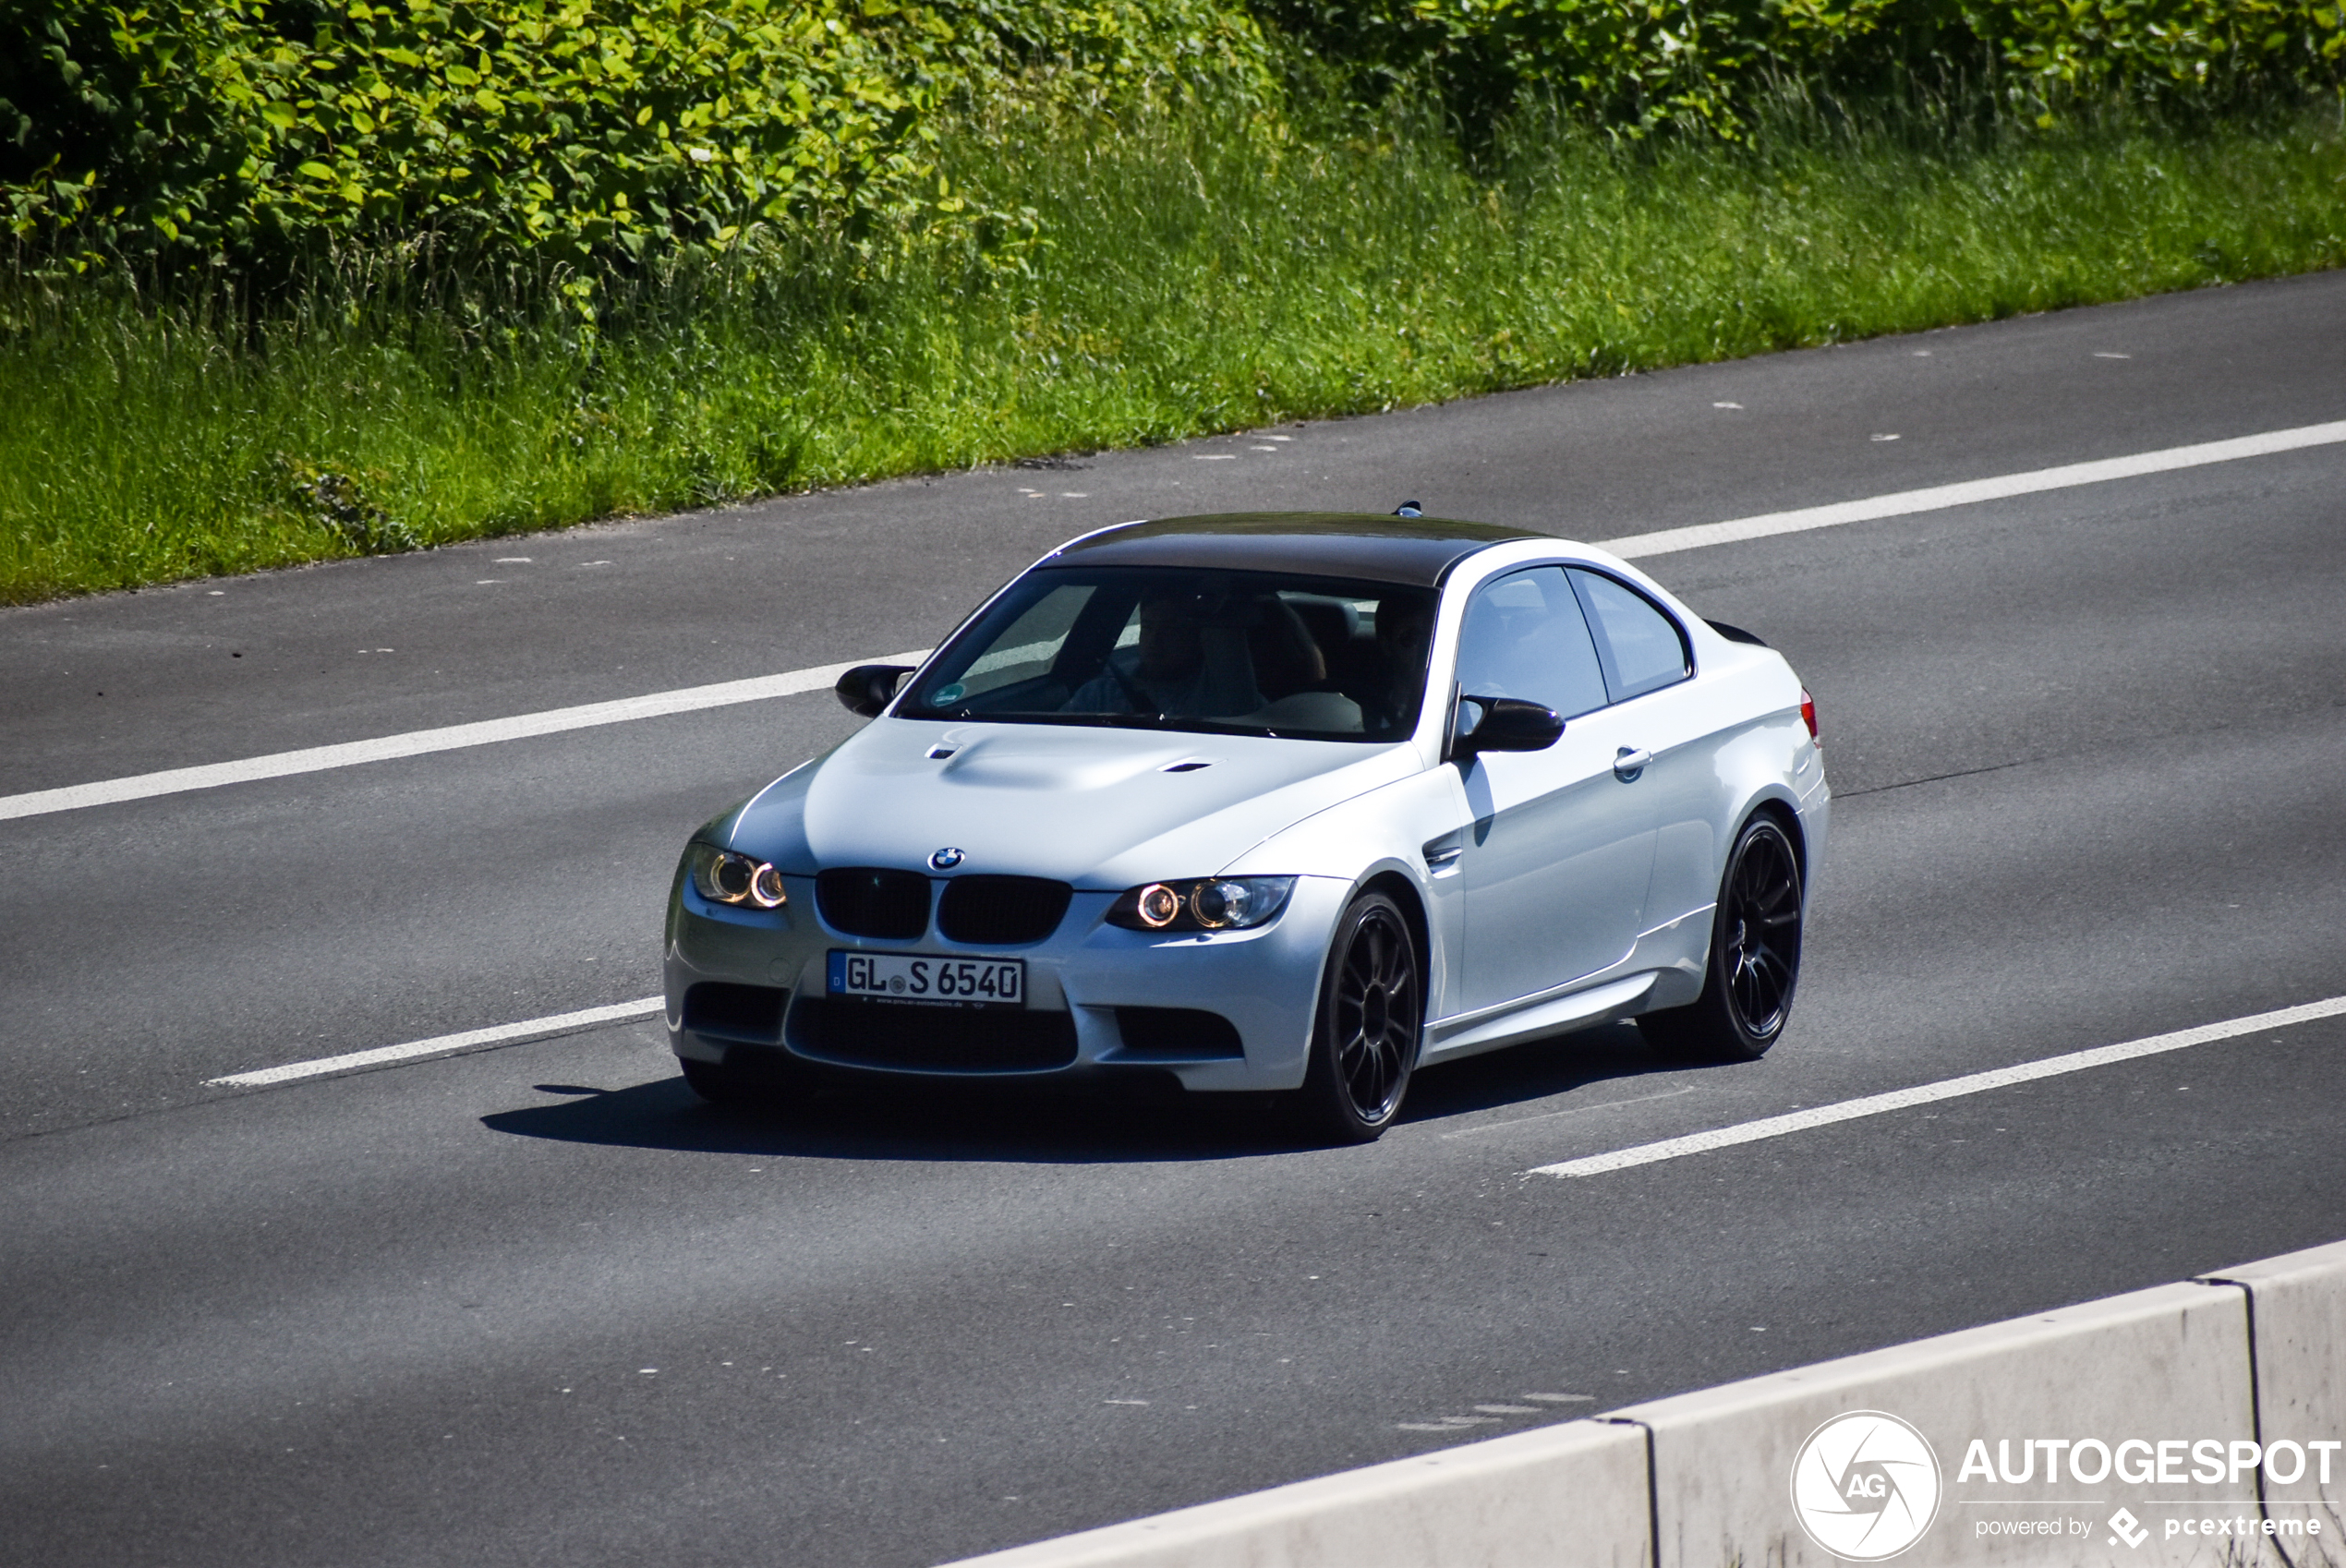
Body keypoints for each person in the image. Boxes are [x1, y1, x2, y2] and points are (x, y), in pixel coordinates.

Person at [1063, 586, 1264, 718]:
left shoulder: (1223, 698)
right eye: (1148, 627)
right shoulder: (1099, 695)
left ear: (1196, 637)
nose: (1155, 640)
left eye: (1171, 630)